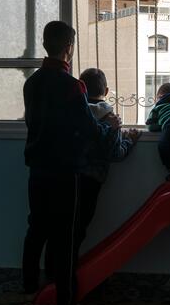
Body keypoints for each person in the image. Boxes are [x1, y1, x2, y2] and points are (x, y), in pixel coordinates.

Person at [22, 21, 119, 305]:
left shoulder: (32, 83)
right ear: (69, 48)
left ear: (45, 43)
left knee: (37, 228)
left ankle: (28, 288)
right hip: (65, 172)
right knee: (65, 236)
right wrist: (111, 127)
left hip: (37, 168)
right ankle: (66, 303)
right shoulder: (71, 86)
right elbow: (88, 129)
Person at [44, 68, 141, 279]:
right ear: (106, 90)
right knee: (77, 231)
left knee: (59, 227)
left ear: (81, 86)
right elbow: (115, 154)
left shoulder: (72, 112)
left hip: (64, 176)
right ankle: (66, 279)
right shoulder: (109, 117)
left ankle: (52, 276)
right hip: (90, 181)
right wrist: (130, 140)